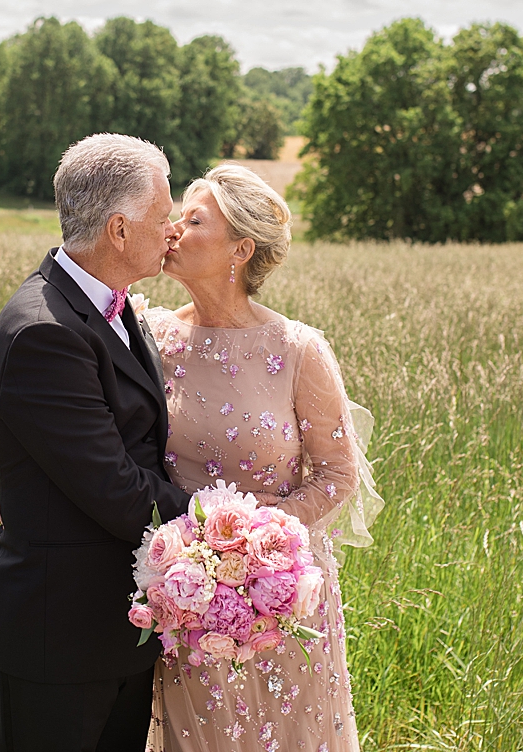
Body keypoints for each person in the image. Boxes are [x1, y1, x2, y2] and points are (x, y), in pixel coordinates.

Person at [143, 163, 377, 752]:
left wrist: (262, 541)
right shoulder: (151, 338)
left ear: (240, 249)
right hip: (187, 599)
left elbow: (338, 472)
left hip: (281, 603)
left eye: (195, 220)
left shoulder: (297, 348)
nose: (173, 228)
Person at [0, 134, 193, 752]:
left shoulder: (112, 307)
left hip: (119, 630)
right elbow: (116, 488)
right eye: (163, 215)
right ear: (120, 230)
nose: (173, 229)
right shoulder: (43, 333)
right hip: (61, 645)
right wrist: (236, 524)